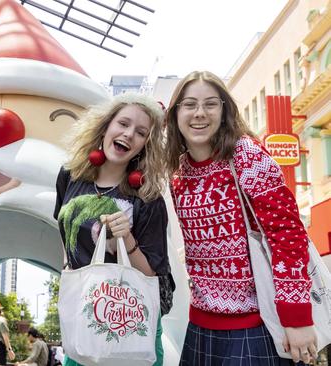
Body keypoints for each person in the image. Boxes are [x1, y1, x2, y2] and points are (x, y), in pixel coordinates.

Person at [165, 71, 315, 365]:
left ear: (224, 111)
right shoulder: (178, 172)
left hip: (255, 326)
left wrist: (296, 317)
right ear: (176, 113)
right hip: (200, 327)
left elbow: (287, 234)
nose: (199, 113)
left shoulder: (246, 155)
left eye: (210, 104)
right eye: (189, 104)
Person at [54, 93, 174, 366]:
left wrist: (127, 237)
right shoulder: (69, 177)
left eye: (141, 132)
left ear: (145, 145)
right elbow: (62, 228)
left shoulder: (148, 198)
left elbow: (151, 275)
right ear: (106, 126)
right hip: (84, 313)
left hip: (128, 320)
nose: (129, 134)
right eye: (123, 124)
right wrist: (69, 268)